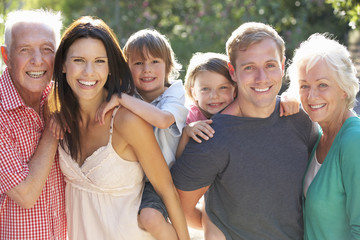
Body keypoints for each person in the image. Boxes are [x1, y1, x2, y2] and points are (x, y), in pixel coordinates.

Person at [171, 22, 319, 240]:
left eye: (270, 65)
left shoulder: (301, 120)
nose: (261, 78)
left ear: (282, 65)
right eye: (249, 67)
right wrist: (216, 225)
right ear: (233, 71)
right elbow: (179, 208)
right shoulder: (211, 137)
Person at [51, 17, 189, 240]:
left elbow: (166, 191)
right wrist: (57, 115)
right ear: (63, 65)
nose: (88, 72)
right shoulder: (58, 117)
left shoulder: (127, 120)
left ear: (111, 67)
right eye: (78, 60)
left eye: (99, 61)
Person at [95, 29, 189, 240]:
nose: (147, 70)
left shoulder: (174, 92)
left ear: (168, 66)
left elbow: (163, 120)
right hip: (133, 177)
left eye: (155, 61)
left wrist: (121, 99)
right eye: (138, 63)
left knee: (150, 218)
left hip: (166, 177)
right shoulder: (129, 92)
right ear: (127, 69)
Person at [0, 9, 66, 239]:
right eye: (25, 50)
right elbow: (26, 194)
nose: (37, 60)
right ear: (6, 56)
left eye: (47, 49)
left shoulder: (64, 97)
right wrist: (53, 126)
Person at [287, 33, 360, 240]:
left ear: (344, 89)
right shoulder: (319, 135)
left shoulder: (354, 141)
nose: (311, 96)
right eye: (304, 86)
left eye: (322, 85)